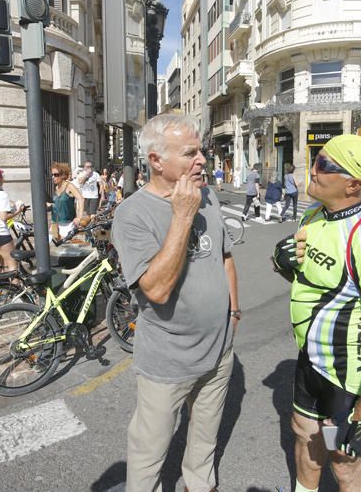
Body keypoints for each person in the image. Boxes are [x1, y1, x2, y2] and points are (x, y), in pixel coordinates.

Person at [273, 134, 361, 492]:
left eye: (323, 164)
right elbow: (312, 280)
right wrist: (282, 262)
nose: (313, 169)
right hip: (310, 359)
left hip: (348, 374)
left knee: (344, 463)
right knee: (304, 435)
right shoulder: (313, 214)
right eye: (316, 158)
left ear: (352, 185)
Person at [112, 114, 239, 492]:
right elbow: (157, 289)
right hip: (168, 360)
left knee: (204, 439)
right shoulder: (132, 213)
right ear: (156, 161)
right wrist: (182, 215)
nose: (202, 160)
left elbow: (225, 257)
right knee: (149, 450)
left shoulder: (209, 195)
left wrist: (233, 313)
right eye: (190, 153)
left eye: (201, 151)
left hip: (220, 352)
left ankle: (200, 485)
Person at [49, 162, 85, 241]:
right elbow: (59, 203)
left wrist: (79, 217)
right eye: (52, 175)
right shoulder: (56, 188)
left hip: (67, 224)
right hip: (55, 223)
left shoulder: (69, 186)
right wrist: (51, 205)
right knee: (54, 247)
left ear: (62, 175)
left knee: (66, 248)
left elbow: (81, 199)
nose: (53, 177)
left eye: (55, 175)